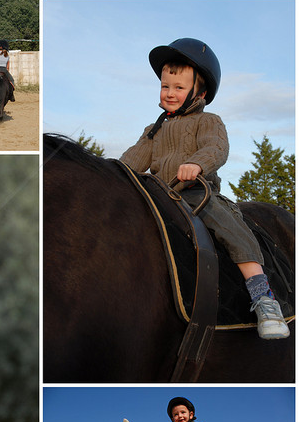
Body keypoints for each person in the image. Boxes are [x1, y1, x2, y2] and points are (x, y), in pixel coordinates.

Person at [121, 38, 289, 339]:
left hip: (197, 192)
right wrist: (111, 172)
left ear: (200, 93)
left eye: (178, 87)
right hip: (160, 192)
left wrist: (197, 164)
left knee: (228, 224)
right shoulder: (154, 129)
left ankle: (264, 298)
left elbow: (216, 148)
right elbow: (133, 160)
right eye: (165, 86)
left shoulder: (208, 121)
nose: (170, 93)